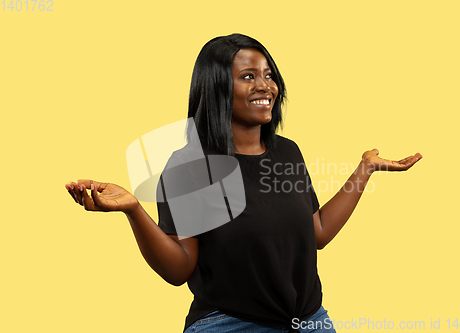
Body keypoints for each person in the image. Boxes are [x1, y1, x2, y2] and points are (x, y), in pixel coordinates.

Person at [65, 33, 422, 332]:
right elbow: (180, 268)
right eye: (249, 76)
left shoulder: (287, 152)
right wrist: (132, 210)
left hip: (310, 321)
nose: (266, 85)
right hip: (231, 324)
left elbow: (317, 232)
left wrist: (364, 170)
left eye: (269, 75)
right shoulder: (192, 167)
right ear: (218, 87)